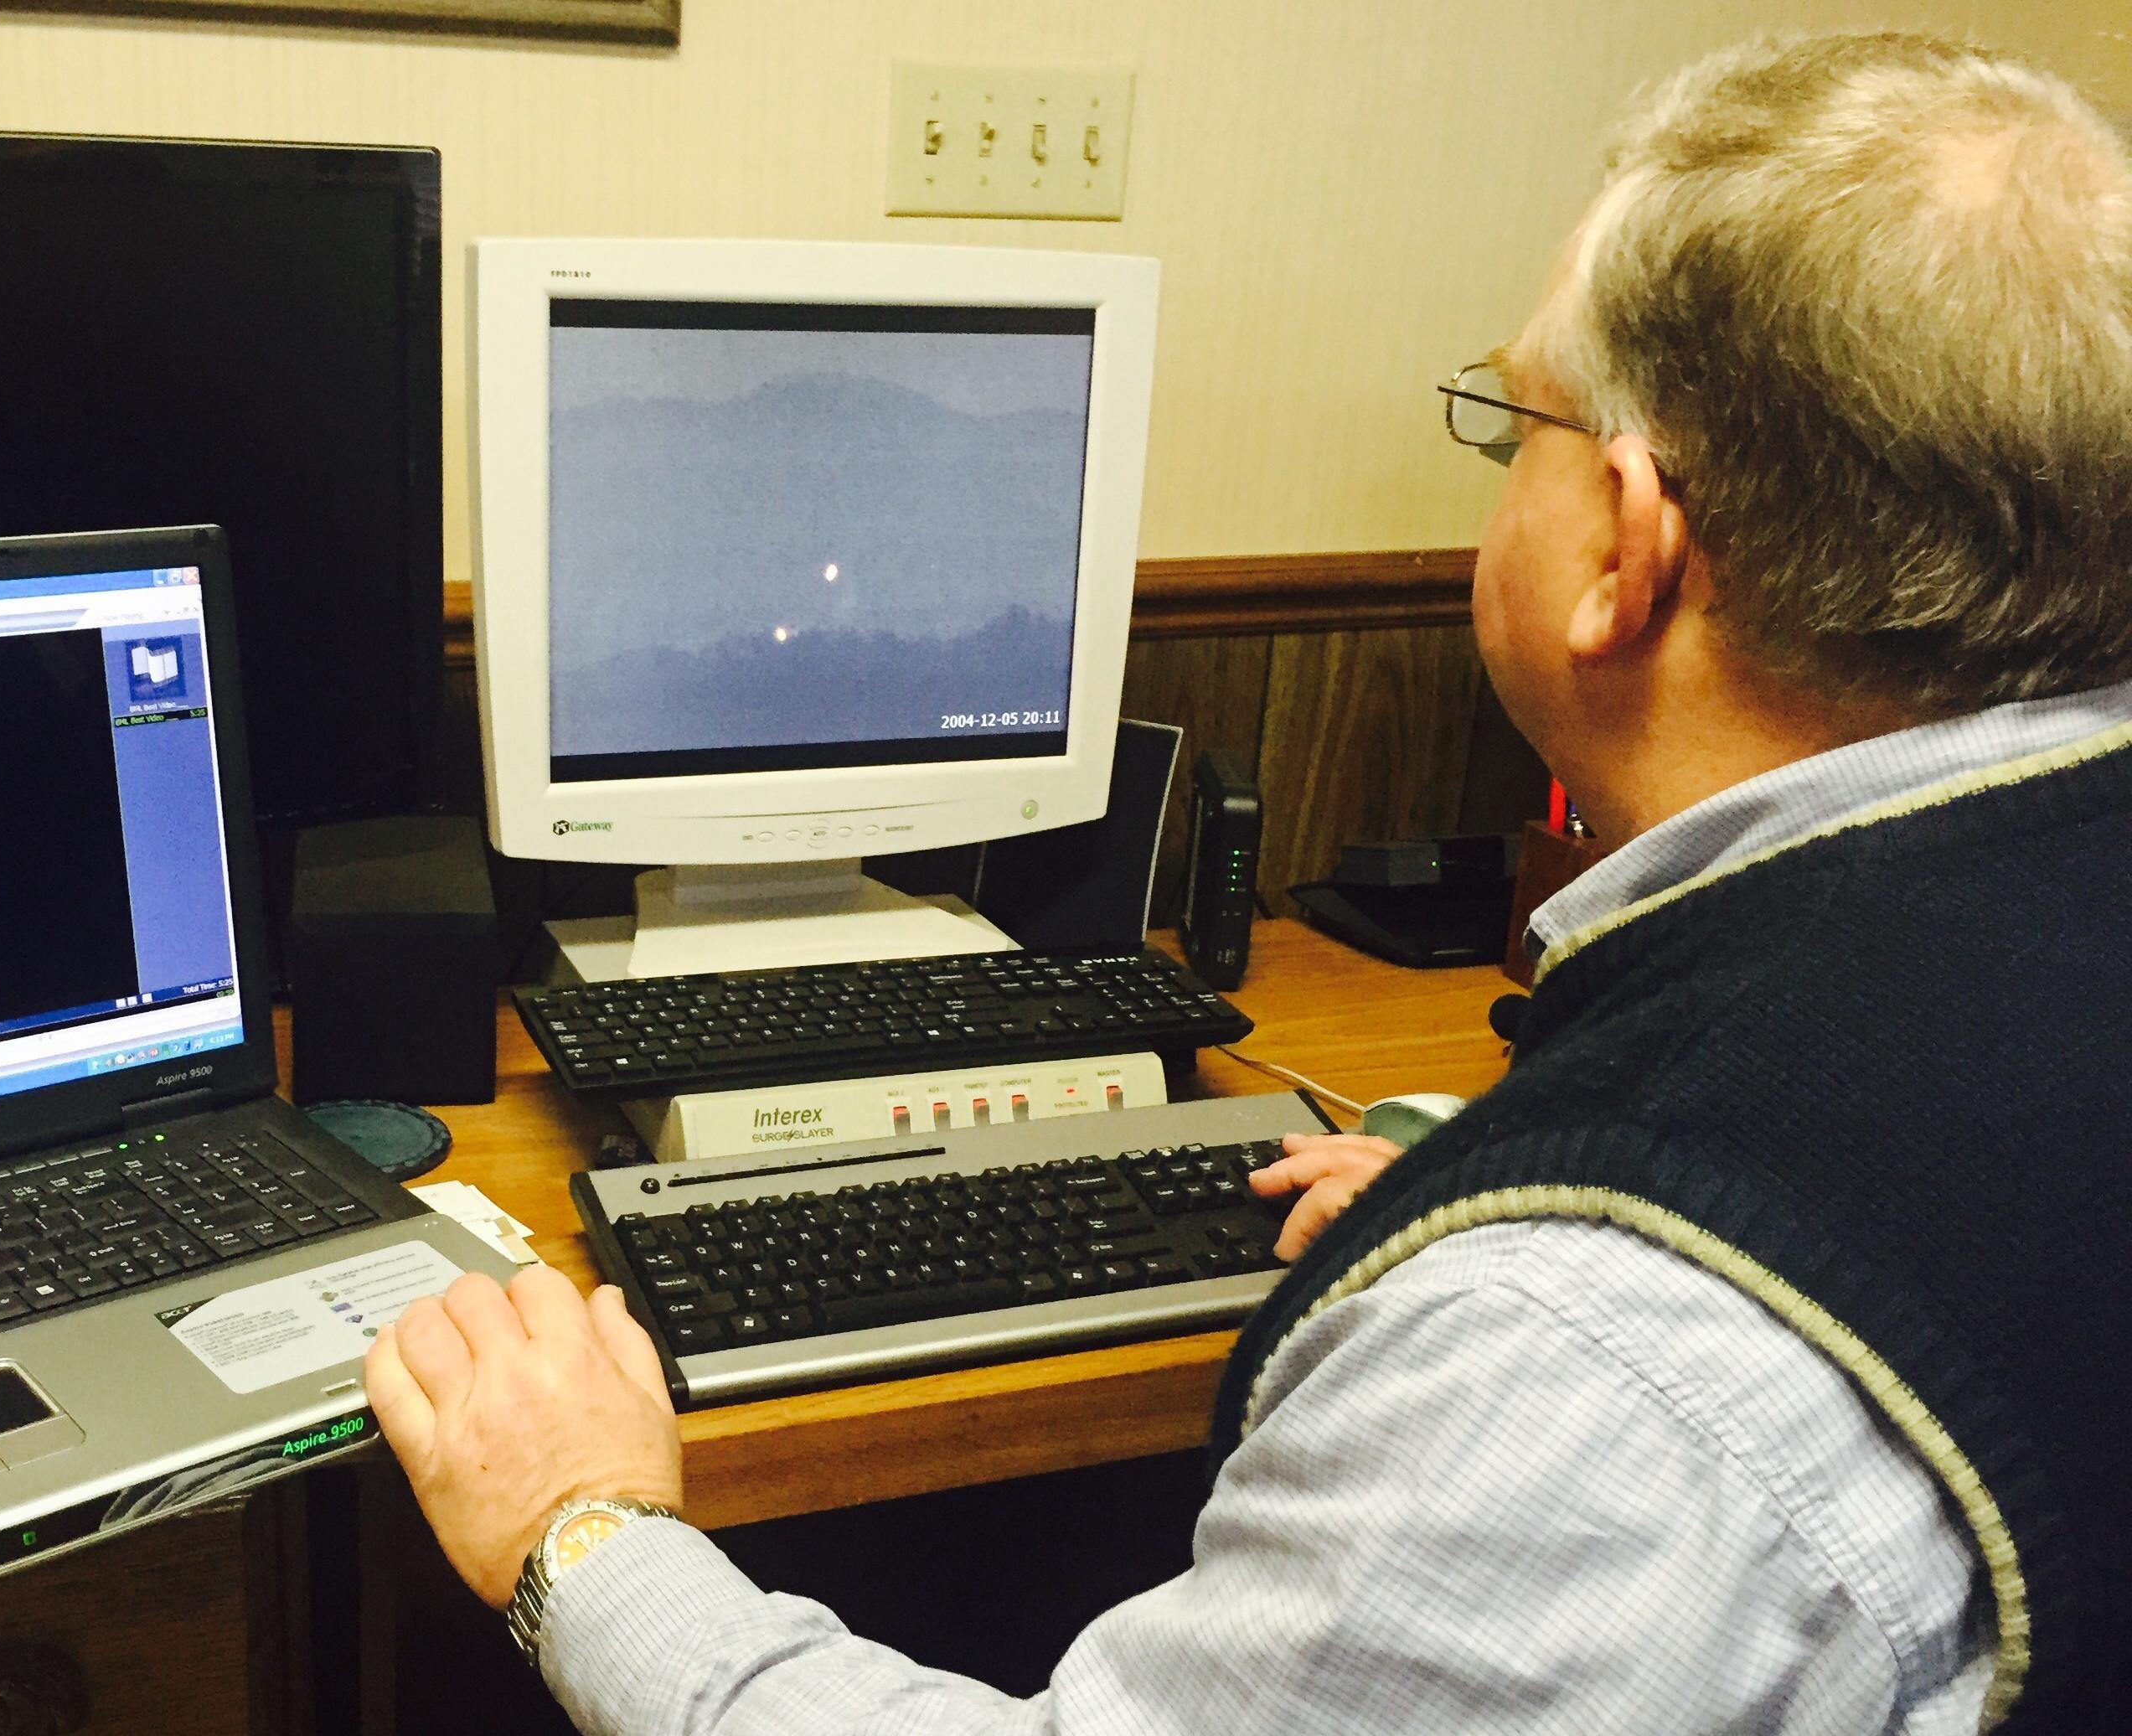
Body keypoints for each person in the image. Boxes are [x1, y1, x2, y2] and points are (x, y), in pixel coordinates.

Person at [366, 32, 2132, 1733]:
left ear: (1627, 544)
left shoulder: (1586, 1349)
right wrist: (1491, 1173)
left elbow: (1651, 1382)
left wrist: (581, 1530)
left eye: (1506, 415)